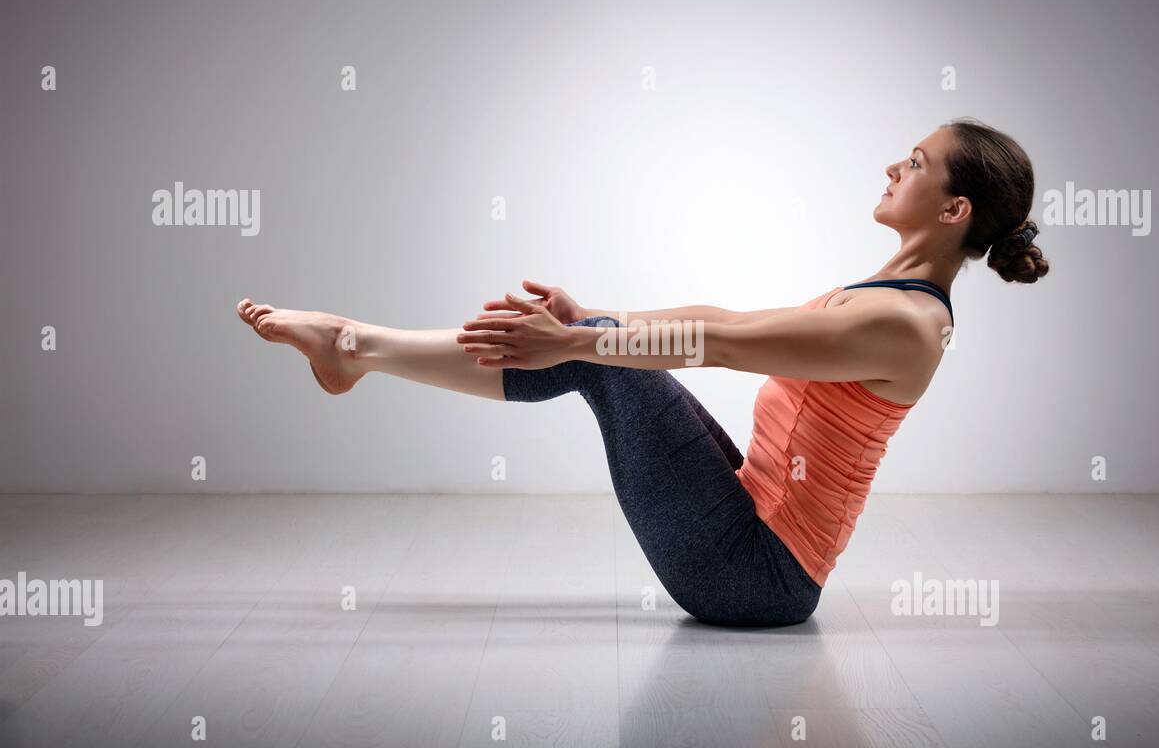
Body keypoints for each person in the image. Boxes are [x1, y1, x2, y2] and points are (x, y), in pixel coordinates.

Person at [234, 117, 1048, 628]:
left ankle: (354, 347)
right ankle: (355, 350)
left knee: (594, 355)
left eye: (913, 162)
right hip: (750, 533)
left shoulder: (902, 323)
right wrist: (592, 325)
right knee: (590, 345)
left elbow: (722, 344)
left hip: (755, 578)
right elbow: (722, 322)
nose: (891, 168)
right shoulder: (886, 297)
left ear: (954, 211)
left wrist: (585, 342)